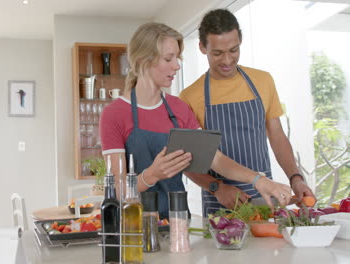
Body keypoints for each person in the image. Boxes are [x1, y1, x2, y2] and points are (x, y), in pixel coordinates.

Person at [100, 22, 292, 219]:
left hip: (177, 221)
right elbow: (117, 189)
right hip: (134, 225)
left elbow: (214, 158)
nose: (176, 65)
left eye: (177, 57)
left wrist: (259, 181)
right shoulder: (114, 114)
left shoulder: (178, 108)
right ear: (142, 61)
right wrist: (153, 175)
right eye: (168, 58)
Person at [179, 9, 315, 216]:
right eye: (217, 53)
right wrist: (217, 188)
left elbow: (277, 136)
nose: (226, 60)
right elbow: (188, 162)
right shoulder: (190, 96)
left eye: (233, 50)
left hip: (265, 197)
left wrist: (295, 178)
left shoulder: (263, 81)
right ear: (202, 47)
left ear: (240, 41)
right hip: (221, 203)